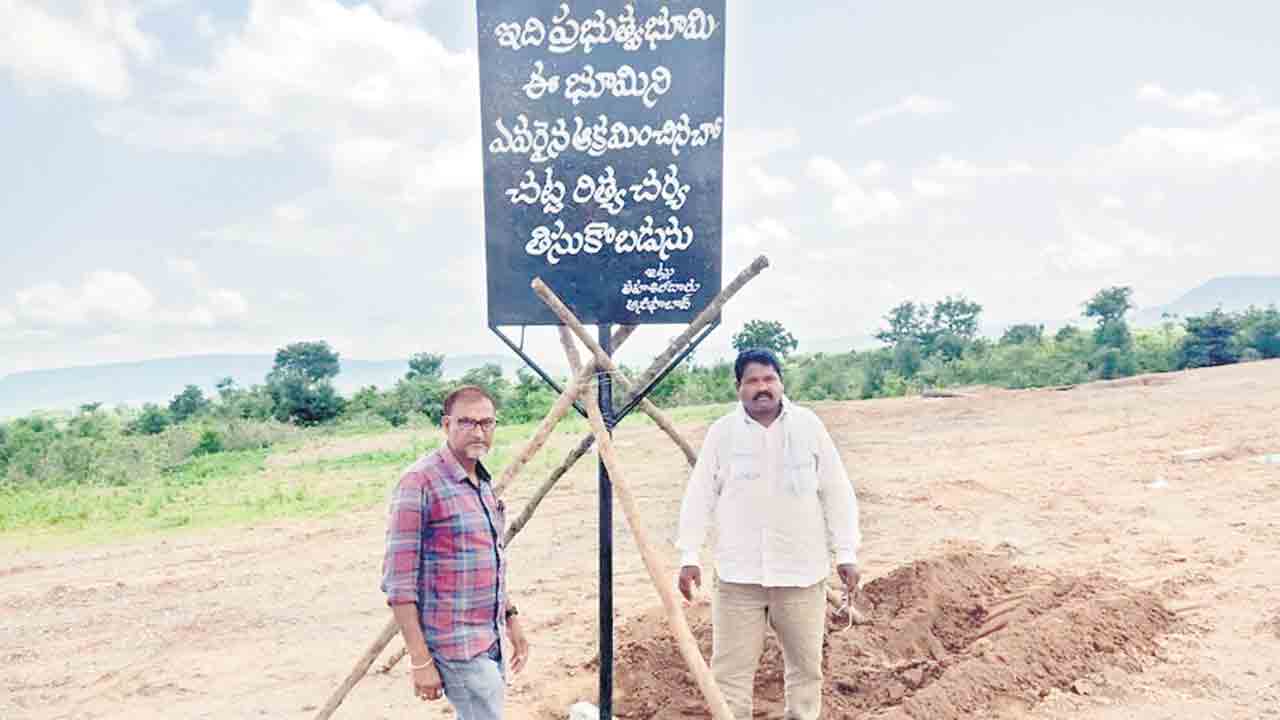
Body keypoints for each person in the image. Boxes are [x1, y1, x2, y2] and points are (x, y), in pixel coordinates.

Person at [676, 348, 861, 720]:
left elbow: (836, 490)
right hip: (738, 578)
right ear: (739, 387)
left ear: (780, 382)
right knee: (729, 676)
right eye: (753, 381)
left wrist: (846, 553)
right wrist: (689, 556)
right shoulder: (722, 434)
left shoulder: (809, 427)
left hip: (801, 574)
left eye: (769, 379)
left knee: (806, 670)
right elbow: (699, 496)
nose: (762, 388)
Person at [381, 385, 529, 719]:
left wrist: (511, 619)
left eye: (487, 423)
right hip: (455, 645)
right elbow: (398, 584)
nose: (478, 431)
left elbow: (489, 561)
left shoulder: (481, 481)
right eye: (467, 422)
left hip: (488, 637)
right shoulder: (420, 482)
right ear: (446, 425)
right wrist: (420, 660)